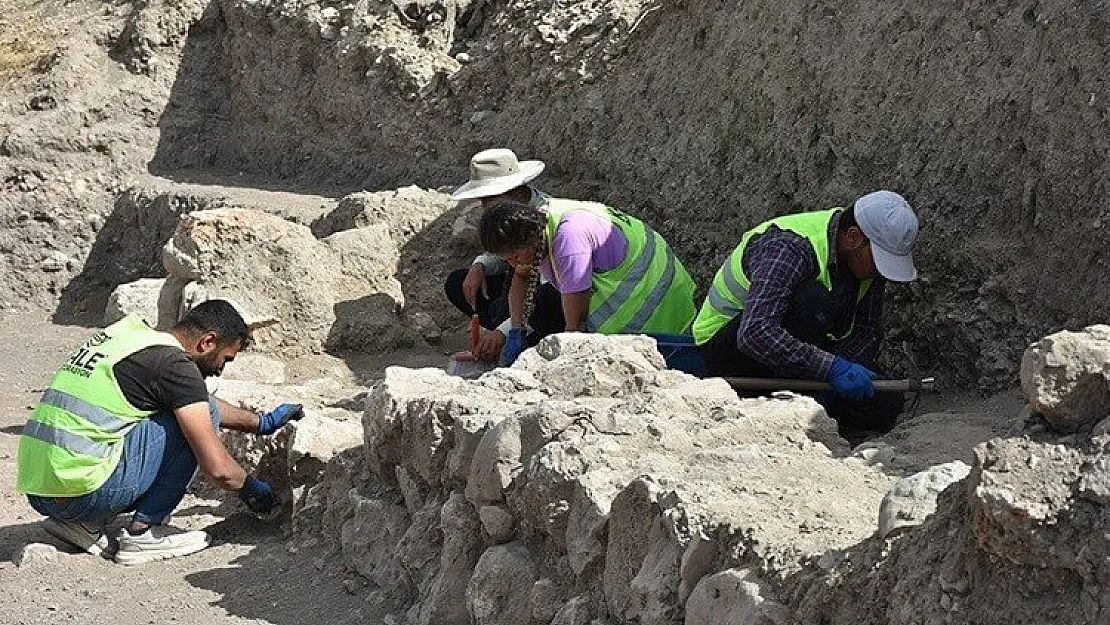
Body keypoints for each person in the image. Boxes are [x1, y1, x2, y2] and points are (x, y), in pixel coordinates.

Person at [16, 300, 302, 565]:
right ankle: (143, 534)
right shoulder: (175, 365)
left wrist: (259, 423)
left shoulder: (132, 338)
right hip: (82, 493)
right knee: (197, 420)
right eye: (224, 359)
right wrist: (250, 489)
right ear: (208, 342)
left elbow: (192, 398)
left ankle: (81, 524)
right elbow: (217, 468)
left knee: (191, 411)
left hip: (42, 492)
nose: (219, 370)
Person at [692, 190, 919, 432]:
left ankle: (810, 400)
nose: (881, 273)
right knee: (813, 301)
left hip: (800, 355)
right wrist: (831, 368)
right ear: (853, 238)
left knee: (886, 403)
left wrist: (849, 370)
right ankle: (789, 398)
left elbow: (867, 331)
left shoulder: (865, 264)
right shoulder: (788, 248)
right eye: (879, 260)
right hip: (730, 352)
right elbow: (755, 333)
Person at [478, 198, 697, 362]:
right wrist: (515, 330)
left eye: (516, 256)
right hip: (653, 284)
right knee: (545, 305)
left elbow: (575, 329)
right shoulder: (541, 222)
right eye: (508, 260)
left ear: (527, 239)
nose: (514, 263)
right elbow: (522, 274)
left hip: (658, 309)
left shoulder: (569, 240)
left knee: (546, 307)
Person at [445, 148, 565, 362]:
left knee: (545, 302)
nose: (483, 208)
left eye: (489, 200)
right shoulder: (513, 215)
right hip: (518, 290)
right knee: (457, 283)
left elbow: (547, 287)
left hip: (547, 297)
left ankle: (515, 337)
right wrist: (480, 265)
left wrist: (503, 330)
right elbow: (509, 255)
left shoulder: (545, 220)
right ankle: (504, 336)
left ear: (517, 194)